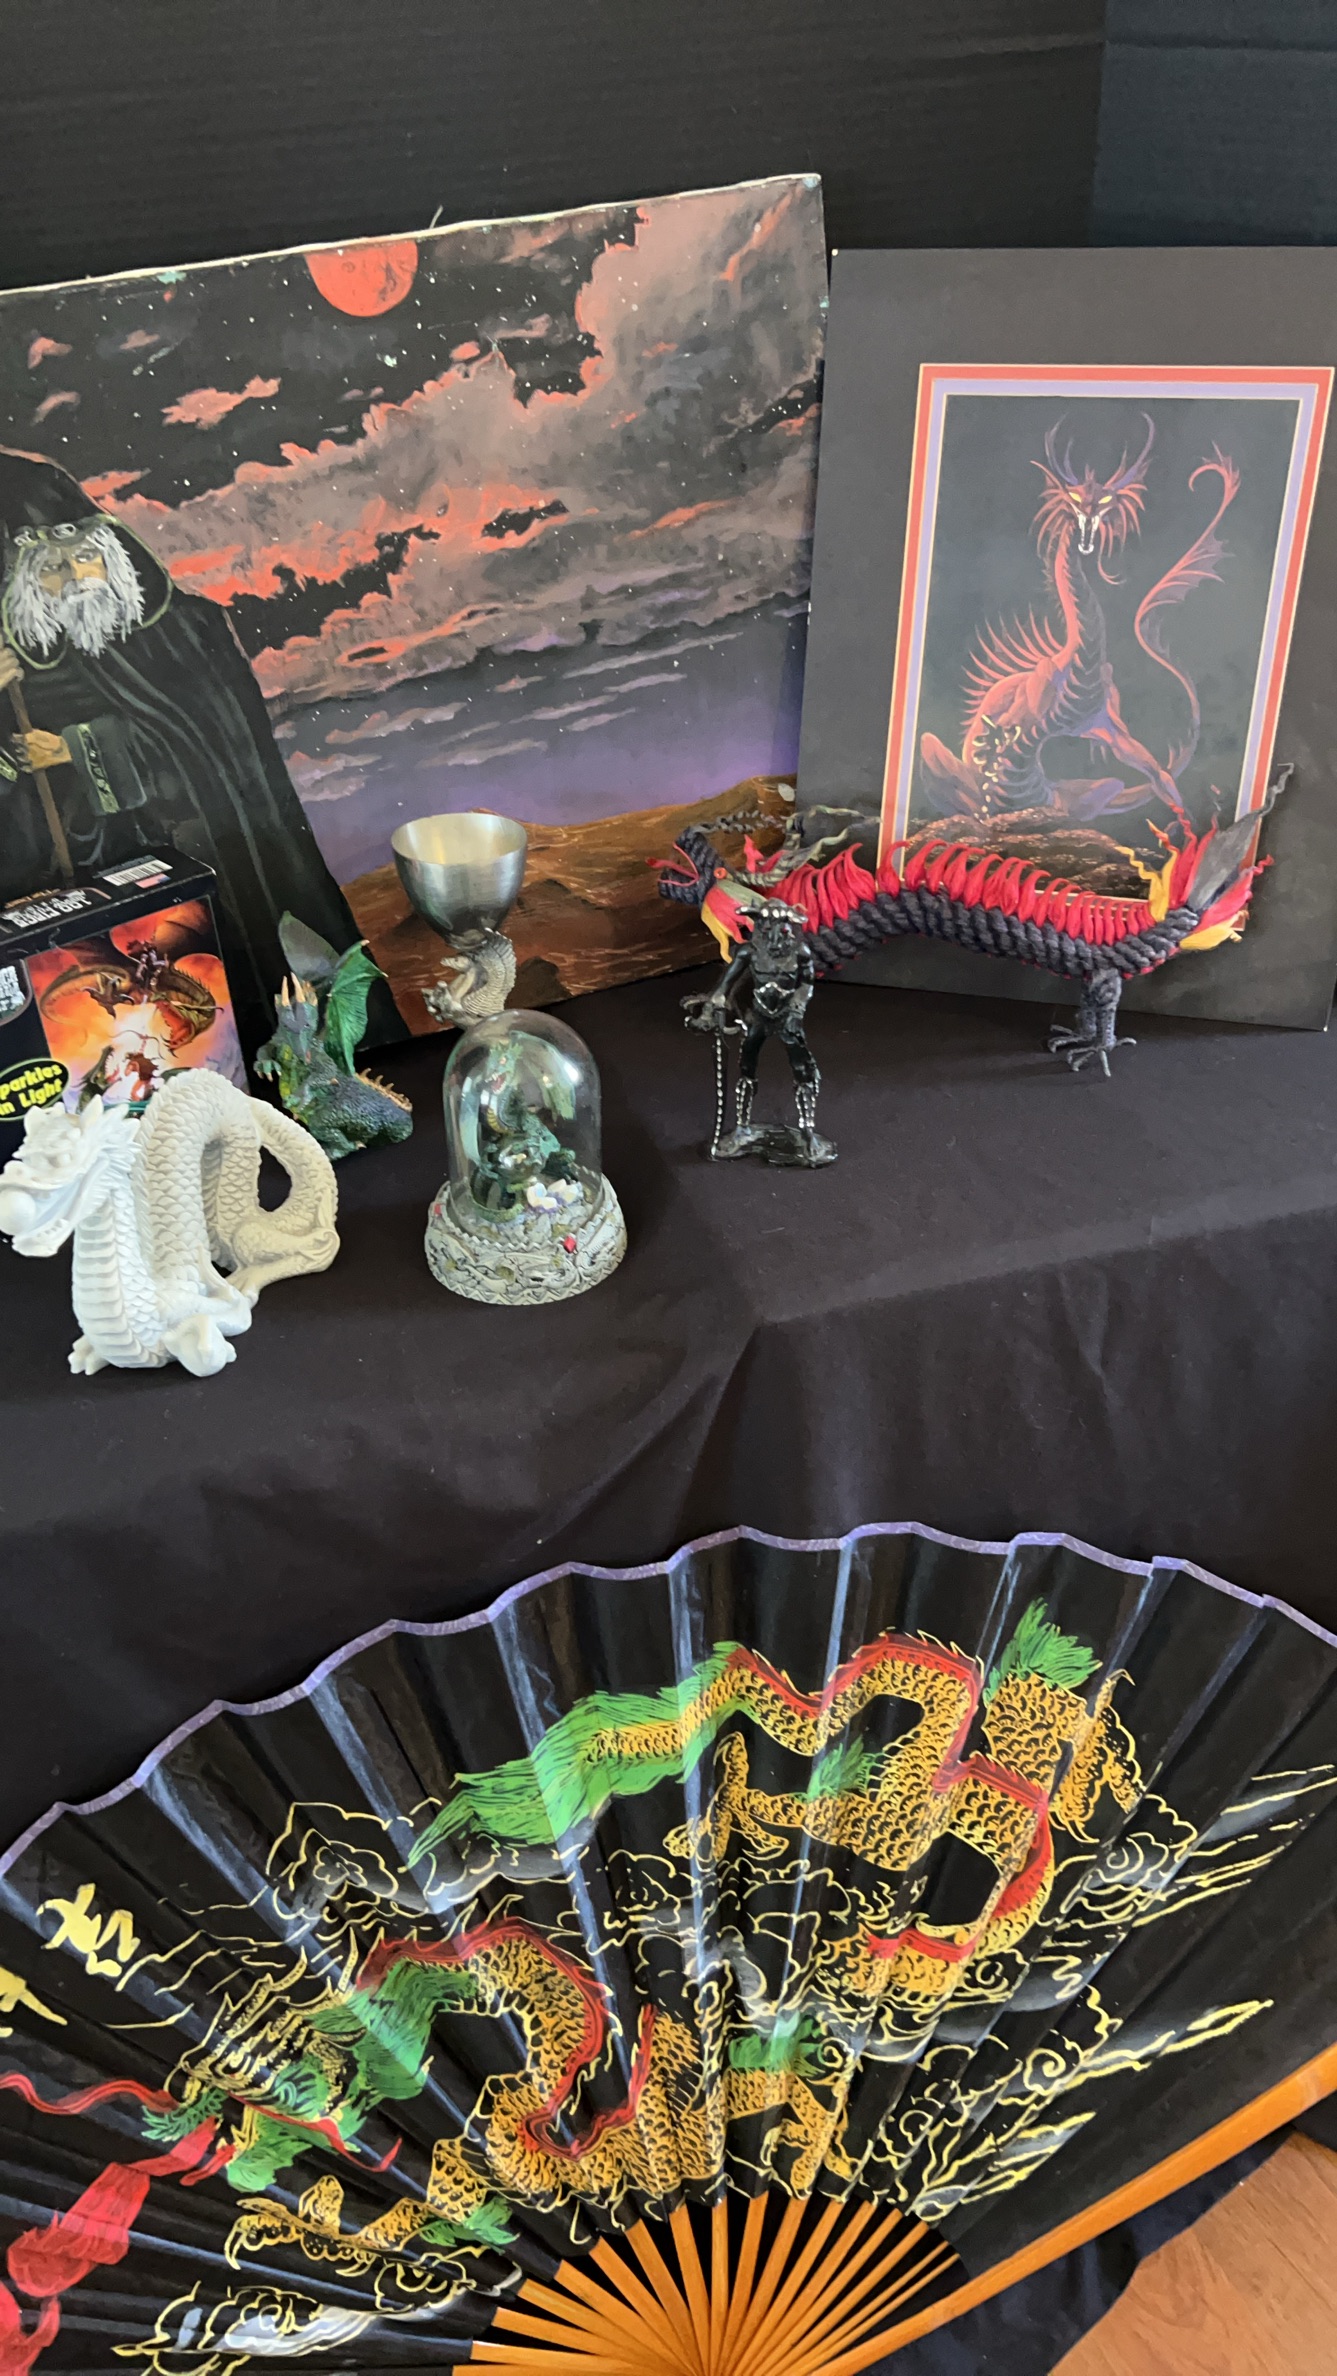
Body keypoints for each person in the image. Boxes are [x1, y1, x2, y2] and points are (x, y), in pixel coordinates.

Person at [0, 449, 402, 1057]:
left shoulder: (187, 631)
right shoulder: (23, 666)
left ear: (112, 553)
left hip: (214, 858)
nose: (76, 577)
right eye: (52, 568)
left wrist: (76, 750)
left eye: (85, 556)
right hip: (110, 880)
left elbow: (214, 746)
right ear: (27, 581)